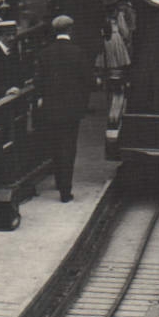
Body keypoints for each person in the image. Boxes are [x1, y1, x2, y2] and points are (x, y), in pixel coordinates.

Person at [34, 15, 94, 203]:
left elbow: (39, 82)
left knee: (55, 144)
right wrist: (82, 101)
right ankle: (65, 191)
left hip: (51, 108)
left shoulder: (45, 53)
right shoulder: (78, 52)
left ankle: (59, 182)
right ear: (70, 30)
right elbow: (88, 80)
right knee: (69, 147)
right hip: (71, 109)